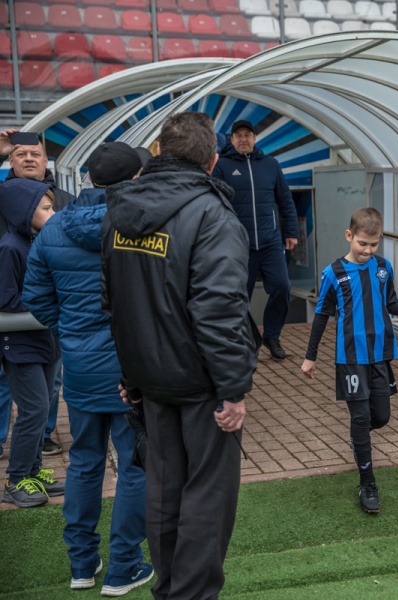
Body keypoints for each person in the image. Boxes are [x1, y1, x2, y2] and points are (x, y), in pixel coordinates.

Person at [101, 112, 257, 598]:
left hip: (150, 379)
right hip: (199, 383)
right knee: (207, 496)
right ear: (212, 161)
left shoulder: (120, 210)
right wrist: (233, 390)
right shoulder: (213, 215)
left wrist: (132, 375)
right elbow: (219, 312)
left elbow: (114, 302)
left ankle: (169, 588)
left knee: (164, 489)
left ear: (159, 154)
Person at [23, 142, 152, 595]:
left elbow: (36, 297)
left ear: (90, 178)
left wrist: (73, 333)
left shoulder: (54, 226)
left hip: (80, 365)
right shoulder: (142, 226)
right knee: (135, 465)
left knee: (83, 461)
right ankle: (124, 566)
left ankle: (82, 564)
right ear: (135, 178)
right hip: (132, 367)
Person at [301, 207, 398, 514]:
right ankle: (367, 482)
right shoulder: (333, 273)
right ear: (349, 236)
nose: (368, 250)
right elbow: (321, 315)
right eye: (362, 243)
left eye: (374, 244)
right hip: (349, 358)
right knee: (360, 417)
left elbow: (391, 303)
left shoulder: (384, 268)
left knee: (382, 417)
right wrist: (310, 357)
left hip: (380, 356)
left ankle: (358, 437)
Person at [2, 133, 73, 456]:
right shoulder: (4, 202)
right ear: (10, 161)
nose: (29, 158)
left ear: (46, 160)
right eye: (21, 154)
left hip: (45, 325)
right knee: (11, 388)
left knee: (47, 389)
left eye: (35, 153)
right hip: (13, 320)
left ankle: (39, 440)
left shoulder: (66, 200)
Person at [212, 119, 299, 361]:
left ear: (254, 138)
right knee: (240, 298)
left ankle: (272, 336)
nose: (243, 139)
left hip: (271, 242)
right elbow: (215, 203)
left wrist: (291, 232)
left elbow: (285, 200)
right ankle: (247, 341)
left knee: (282, 287)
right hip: (239, 246)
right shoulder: (223, 166)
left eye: (247, 135)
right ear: (231, 139)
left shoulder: (270, 165)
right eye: (238, 135)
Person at [0, 178, 63, 508]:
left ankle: (33, 473)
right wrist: (50, 302)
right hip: (20, 345)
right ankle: (15, 480)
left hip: (44, 341)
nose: (52, 214)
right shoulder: (10, 247)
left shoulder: (34, 240)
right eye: (46, 208)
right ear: (24, 211)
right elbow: (6, 301)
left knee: (42, 407)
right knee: (34, 409)